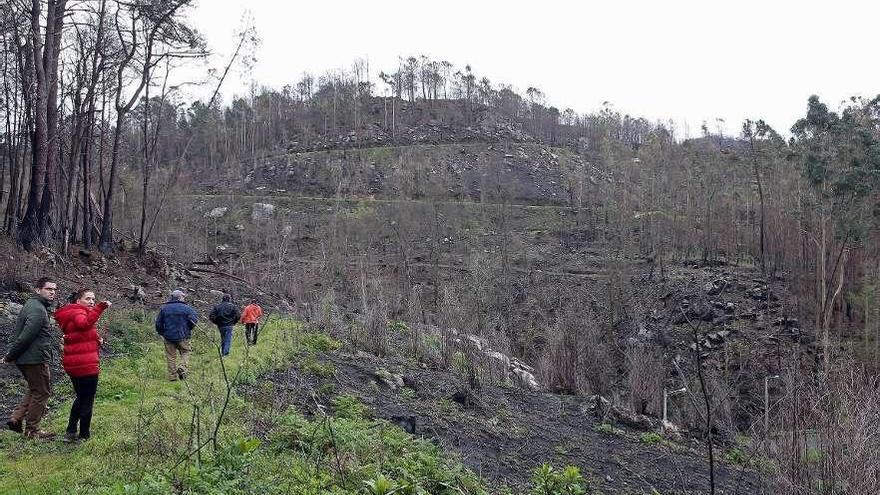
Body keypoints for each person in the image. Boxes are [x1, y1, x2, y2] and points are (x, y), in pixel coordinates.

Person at [3, 277, 58, 439]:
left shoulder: (34, 305)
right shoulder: (38, 310)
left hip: (29, 357)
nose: (52, 292)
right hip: (34, 359)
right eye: (48, 289)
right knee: (42, 392)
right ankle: (32, 431)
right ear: (38, 289)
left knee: (34, 389)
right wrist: (9, 355)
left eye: (54, 289)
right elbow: (25, 337)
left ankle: (16, 418)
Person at [54, 289, 111, 442]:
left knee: (81, 397)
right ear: (78, 300)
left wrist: (97, 338)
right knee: (87, 399)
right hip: (86, 365)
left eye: (93, 299)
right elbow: (83, 323)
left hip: (73, 364)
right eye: (88, 299)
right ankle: (84, 435)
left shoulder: (72, 312)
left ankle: (71, 431)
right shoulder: (79, 313)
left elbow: (82, 331)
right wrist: (101, 307)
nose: (92, 302)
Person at [155, 289, 198, 381]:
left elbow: (158, 323)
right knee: (186, 351)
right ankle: (182, 368)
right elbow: (194, 320)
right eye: (183, 296)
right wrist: (188, 329)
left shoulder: (164, 309)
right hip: (183, 336)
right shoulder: (187, 308)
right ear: (179, 297)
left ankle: (172, 377)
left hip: (168, 336)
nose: (183, 298)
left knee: (171, 356)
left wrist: (162, 333)